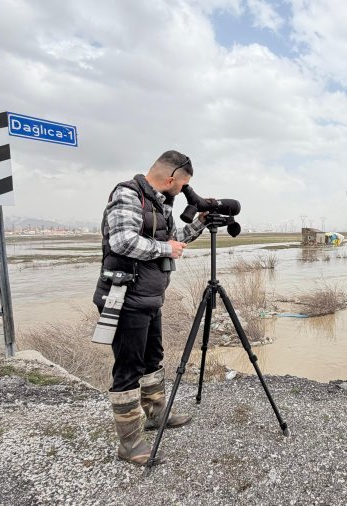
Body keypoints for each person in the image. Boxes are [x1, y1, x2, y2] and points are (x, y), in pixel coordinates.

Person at [92, 150, 207, 465]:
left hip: (149, 297)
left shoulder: (158, 204)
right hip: (125, 299)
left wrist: (199, 223)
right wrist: (165, 248)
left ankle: (156, 415)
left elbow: (173, 239)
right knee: (128, 369)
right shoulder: (128, 195)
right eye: (182, 185)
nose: (183, 191)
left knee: (152, 359)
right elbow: (122, 241)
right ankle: (129, 443)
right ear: (170, 179)